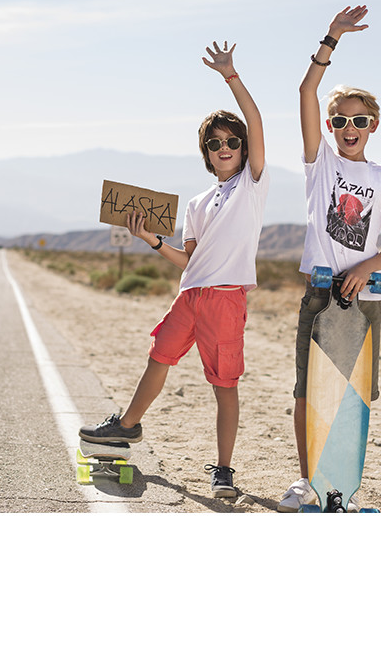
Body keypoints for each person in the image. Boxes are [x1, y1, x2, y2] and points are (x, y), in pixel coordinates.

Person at [79, 40, 269, 499]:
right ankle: (127, 427)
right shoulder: (199, 203)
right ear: (206, 153)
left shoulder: (253, 184)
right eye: (215, 143)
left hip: (226, 298)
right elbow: (189, 259)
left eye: (231, 141)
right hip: (190, 294)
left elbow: (257, 121)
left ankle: (224, 470)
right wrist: (150, 240)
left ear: (243, 148)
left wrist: (230, 74)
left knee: (223, 385)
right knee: (159, 356)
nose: (224, 147)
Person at [277, 5, 381, 512]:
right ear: (330, 126)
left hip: (364, 298)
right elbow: (306, 92)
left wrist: (365, 266)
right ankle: (309, 480)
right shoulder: (320, 164)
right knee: (308, 392)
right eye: (340, 120)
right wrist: (331, 38)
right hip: (320, 294)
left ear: (373, 124)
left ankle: (340, 486)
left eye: (359, 120)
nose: (348, 127)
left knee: (353, 399)